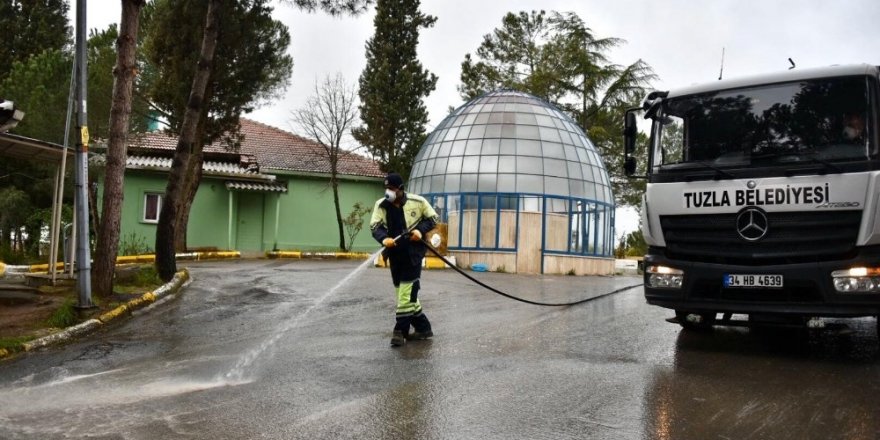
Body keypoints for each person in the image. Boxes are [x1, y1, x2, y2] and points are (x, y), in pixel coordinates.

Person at [370, 172, 439, 347]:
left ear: (400, 189)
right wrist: (384, 238)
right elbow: (375, 225)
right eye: (386, 188)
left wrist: (419, 231)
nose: (388, 192)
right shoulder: (381, 205)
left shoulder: (418, 202)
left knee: (406, 293)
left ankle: (400, 331)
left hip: (413, 253)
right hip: (395, 254)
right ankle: (423, 328)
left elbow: (432, 218)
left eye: (391, 188)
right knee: (403, 294)